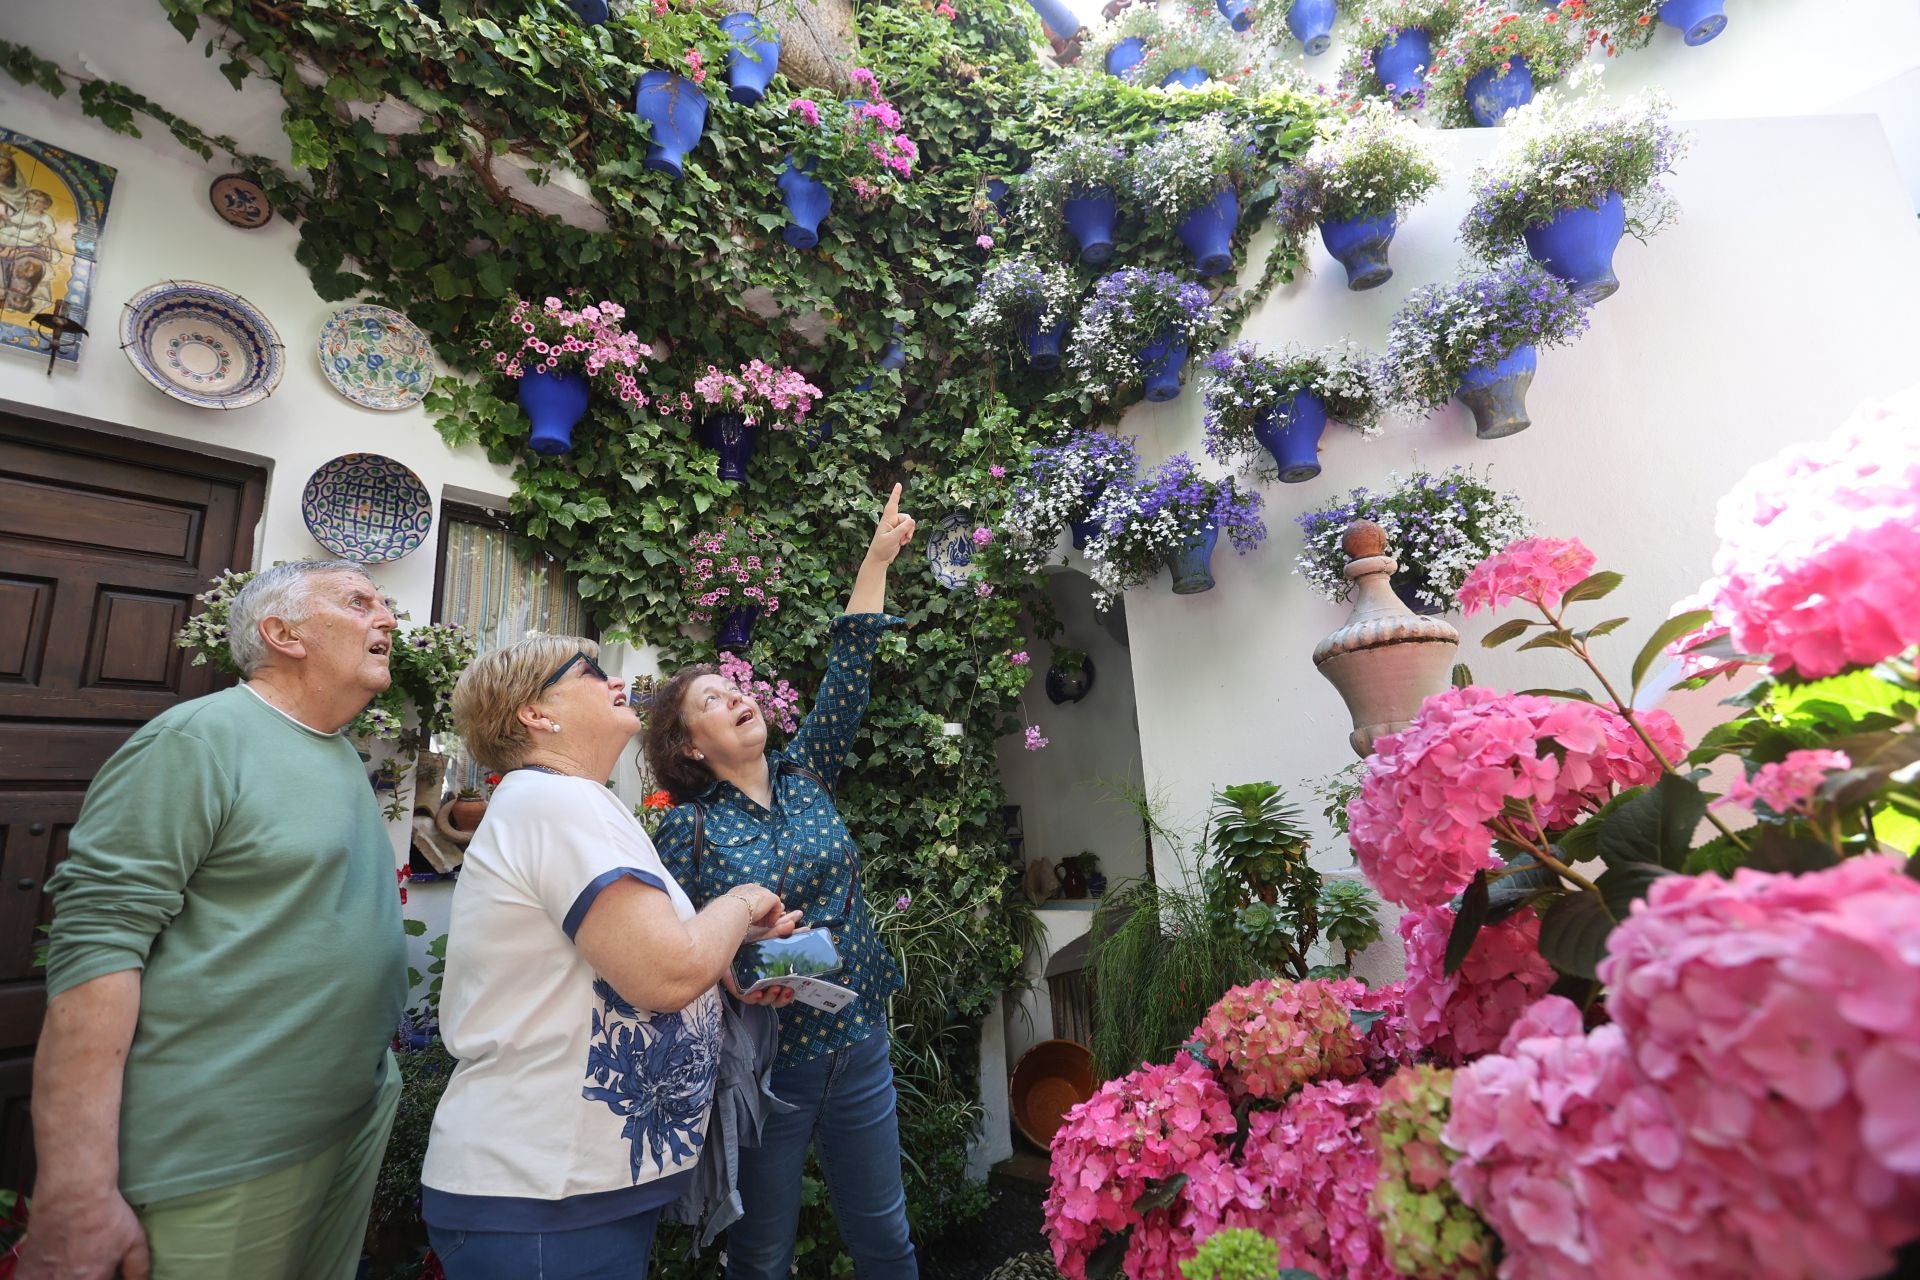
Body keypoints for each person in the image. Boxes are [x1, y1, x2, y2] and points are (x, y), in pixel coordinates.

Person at [23, 560, 410, 1280]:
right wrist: (75, 1191)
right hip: (225, 1151)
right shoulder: (199, 740)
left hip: (347, 1118)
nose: (386, 618)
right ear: (283, 634)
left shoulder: (334, 749)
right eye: (359, 602)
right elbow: (98, 946)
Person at [419, 635, 800, 1279]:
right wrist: (741, 900)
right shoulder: (561, 801)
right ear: (535, 714)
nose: (616, 680)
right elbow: (665, 973)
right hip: (545, 1197)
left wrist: (725, 959)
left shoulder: (557, 801)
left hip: (562, 1192)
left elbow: (634, 957)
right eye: (591, 671)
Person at [643, 483, 919, 1280]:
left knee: (886, 1237)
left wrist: (877, 560)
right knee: (761, 1255)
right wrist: (734, 968)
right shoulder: (686, 830)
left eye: (737, 688)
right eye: (713, 700)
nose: (739, 697)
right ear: (689, 747)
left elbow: (851, 665)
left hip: (857, 1040)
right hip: (768, 1065)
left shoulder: (808, 775)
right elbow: (672, 949)